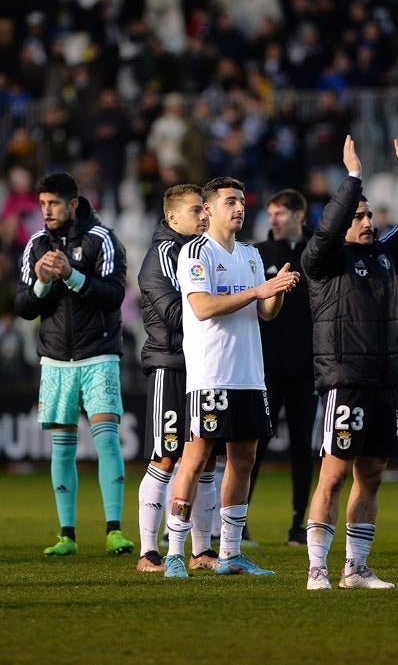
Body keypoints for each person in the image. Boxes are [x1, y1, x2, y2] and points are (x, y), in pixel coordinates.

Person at [302, 131, 398, 590]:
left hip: (386, 378)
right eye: (357, 216)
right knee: (335, 473)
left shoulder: (382, 255)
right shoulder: (322, 260)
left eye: (369, 215)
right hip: (346, 378)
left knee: (373, 475)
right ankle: (317, 567)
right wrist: (353, 178)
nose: (367, 222)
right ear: (340, 221)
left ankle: (355, 568)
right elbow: (327, 226)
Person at [163, 176, 299, 578]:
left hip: (249, 374)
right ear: (208, 209)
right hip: (212, 374)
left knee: (244, 458)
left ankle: (230, 553)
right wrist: (259, 292)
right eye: (230, 202)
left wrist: (276, 291)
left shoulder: (251, 255)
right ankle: (174, 552)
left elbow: (266, 314)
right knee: (196, 457)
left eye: (241, 201)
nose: (239, 208)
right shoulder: (194, 253)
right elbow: (203, 307)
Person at [14, 172, 133, 557]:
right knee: (62, 447)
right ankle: (67, 535)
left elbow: (115, 295)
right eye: (43, 204)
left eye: (53, 204)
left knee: (106, 439)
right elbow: (23, 306)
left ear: (73, 205)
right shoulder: (35, 245)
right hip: (55, 359)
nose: (46, 211)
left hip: (98, 354)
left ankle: (114, 530)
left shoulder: (102, 240)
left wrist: (72, 274)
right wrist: (41, 283)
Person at [135, 184, 217, 572]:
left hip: (203, 364)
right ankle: (148, 552)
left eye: (205, 209)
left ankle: (203, 551)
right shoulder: (165, 254)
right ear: (172, 217)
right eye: (196, 210)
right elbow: (177, 312)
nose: (204, 216)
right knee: (166, 455)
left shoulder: (201, 251)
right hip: (170, 364)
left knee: (203, 456)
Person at [252, 188, 316, 546]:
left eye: (280, 213)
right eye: (271, 213)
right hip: (266, 367)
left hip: (306, 368)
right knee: (255, 443)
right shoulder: (259, 254)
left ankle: (298, 525)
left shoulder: (316, 252)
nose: (273, 219)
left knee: (301, 448)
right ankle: (240, 521)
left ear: (299, 216)